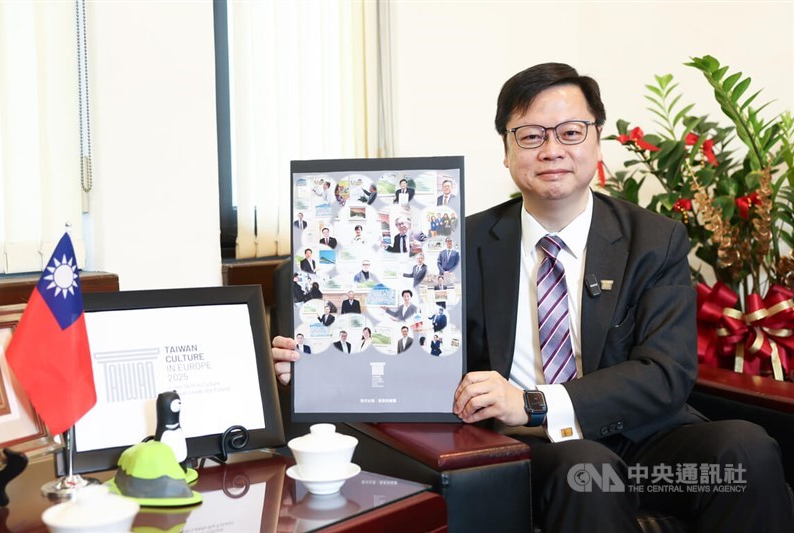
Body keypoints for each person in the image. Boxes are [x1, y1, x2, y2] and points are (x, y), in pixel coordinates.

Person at [273, 62, 793, 532]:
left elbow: (666, 372)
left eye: (570, 132)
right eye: (530, 135)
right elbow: (401, 334)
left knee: (744, 450)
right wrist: (320, 366)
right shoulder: (452, 244)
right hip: (532, 452)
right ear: (505, 150)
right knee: (587, 468)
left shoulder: (654, 240)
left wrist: (533, 402)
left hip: (644, 444)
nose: (552, 150)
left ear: (596, 142)